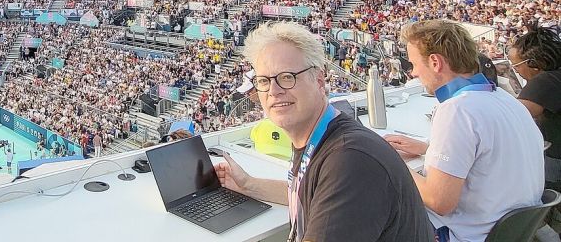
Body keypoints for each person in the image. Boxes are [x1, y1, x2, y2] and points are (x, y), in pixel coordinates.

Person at [215, 22, 432, 241]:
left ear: (319, 80)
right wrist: (249, 185)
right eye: (264, 81)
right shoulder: (322, 139)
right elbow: (312, 193)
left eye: (287, 77)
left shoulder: (350, 159)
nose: (274, 91)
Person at [385, 20, 545, 242]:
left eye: (413, 64)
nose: (412, 73)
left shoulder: (457, 110)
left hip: (466, 235)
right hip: (510, 231)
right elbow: (492, 157)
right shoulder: (507, 100)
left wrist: (392, 160)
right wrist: (427, 150)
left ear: (435, 62)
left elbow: (438, 201)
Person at [510, 26, 561, 184]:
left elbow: (512, 115)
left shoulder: (545, 81)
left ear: (534, 63)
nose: (516, 71)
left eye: (517, 65)